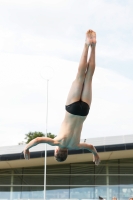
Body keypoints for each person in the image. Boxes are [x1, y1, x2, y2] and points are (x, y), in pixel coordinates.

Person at [23, 29, 100, 165]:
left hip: (84, 111)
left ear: (67, 153)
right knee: (80, 75)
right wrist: (26, 149)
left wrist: (95, 156)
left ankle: (93, 46)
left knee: (89, 78)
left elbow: (91, 147)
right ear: (57, 151)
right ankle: (86, 45)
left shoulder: (76, 145)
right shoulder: (57, 142)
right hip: (71, 108)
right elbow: (38, 140)